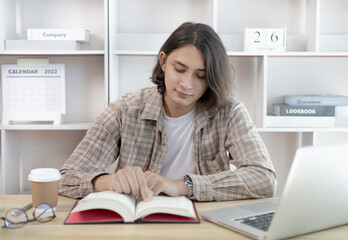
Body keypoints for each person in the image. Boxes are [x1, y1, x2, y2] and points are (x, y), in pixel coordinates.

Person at [59, 22, 277, 202]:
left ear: (212, 79)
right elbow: (65, 178)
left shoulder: (229, 112)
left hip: (204, 223)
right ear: (163, 61)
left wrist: (183, 186)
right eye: (179, 69)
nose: (186, 84)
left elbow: (265, 178)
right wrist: (108, 181)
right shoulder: (125, 110)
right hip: (139, 224)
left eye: (200, 76)